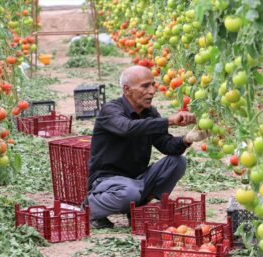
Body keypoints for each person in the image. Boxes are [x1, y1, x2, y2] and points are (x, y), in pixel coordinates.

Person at [84, 65, 209, 229]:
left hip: (137, 180)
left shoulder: (150, 113)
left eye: (153, 85)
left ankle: (137, 207)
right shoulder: (111, 110)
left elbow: (166, 146)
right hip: (107, 181)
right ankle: (90, 208)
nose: (152, 91)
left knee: (177, 162)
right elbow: (127, 128)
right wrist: (169, 121)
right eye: (145, 86)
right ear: (127, 89)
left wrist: (187, 139)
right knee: (129, 192)